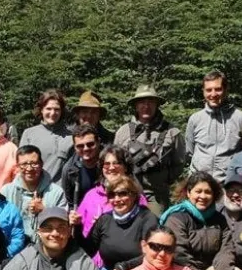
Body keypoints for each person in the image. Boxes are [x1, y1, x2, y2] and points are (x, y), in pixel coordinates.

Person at [159, 172, 242, 270]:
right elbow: (179, 255)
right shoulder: (177, 218)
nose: (203, 196)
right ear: (188, 192)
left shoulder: (219, 219)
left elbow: (227, 248)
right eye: (198, 191)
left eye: (208, 192)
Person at [84, 177, 158, 270]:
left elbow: (153, 255)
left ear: (134, 195)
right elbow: (86, 249)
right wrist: (74, 227)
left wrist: (122, 268)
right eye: (112, 195)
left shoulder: (147, 218)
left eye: (123, 193)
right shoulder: (105, 219)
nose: (117, 199)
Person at [113, 85, 185, 215]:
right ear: (135, 105)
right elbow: (115, 162)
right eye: (142, 102)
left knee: (154, 231)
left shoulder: (172, 132)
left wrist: (162, 179)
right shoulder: (123, 132)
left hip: (157, 196)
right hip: (127, 194)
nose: (146, 106)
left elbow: (179, 164)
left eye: (151, 101)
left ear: (157, 104)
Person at [185, 71, 242, 182]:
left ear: (226, 90)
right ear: (203, 91)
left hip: (228, 184)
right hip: (199, 185)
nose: (213, 94)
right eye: (209, 90)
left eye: (218, 89)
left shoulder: (240, 118)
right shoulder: (195, 119)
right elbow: (189, 152)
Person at [0, 145, 67, 244]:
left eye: (34, 163)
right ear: (17, 166)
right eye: (24, 164)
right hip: (12, 247)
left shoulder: (56, 192)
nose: (29, 168)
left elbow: (64, 224)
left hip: (46, 247)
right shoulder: (6, 192)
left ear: (41, 164)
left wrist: (44, 211)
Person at [76, 146, 148, 238]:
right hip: (90, 249)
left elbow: (143, 229)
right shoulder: (91, 195)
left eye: (116, 163)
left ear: (125, 167)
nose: (111, 167)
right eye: (106, 164)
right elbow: (79, 224)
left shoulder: (136, 196)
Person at [19, 89, 73, 183]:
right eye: (48, 108)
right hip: (34, 192)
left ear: (62, 111)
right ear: (41, 110)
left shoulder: (71, 138)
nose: (52, 113)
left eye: (57, 109)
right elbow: (21, 166)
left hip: (60, 194)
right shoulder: (29, 134)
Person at [62, 124, 102, 210]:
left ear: (98, 142)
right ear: (74, 147)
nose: (86, 149)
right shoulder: (69, 170)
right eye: (80, 146)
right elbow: (69, 203)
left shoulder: (110, 164)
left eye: (90, 144)